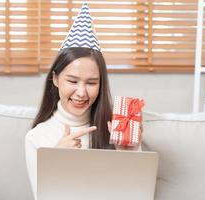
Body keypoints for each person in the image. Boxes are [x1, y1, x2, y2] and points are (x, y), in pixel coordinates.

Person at [25, 3, 140, 200]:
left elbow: (137, 192)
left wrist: (130, 153)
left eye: (91, 83)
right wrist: (56, 160)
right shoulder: (38, 137)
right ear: (55, 78)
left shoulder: (116, 129)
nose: (81, 92)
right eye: (72, 81)